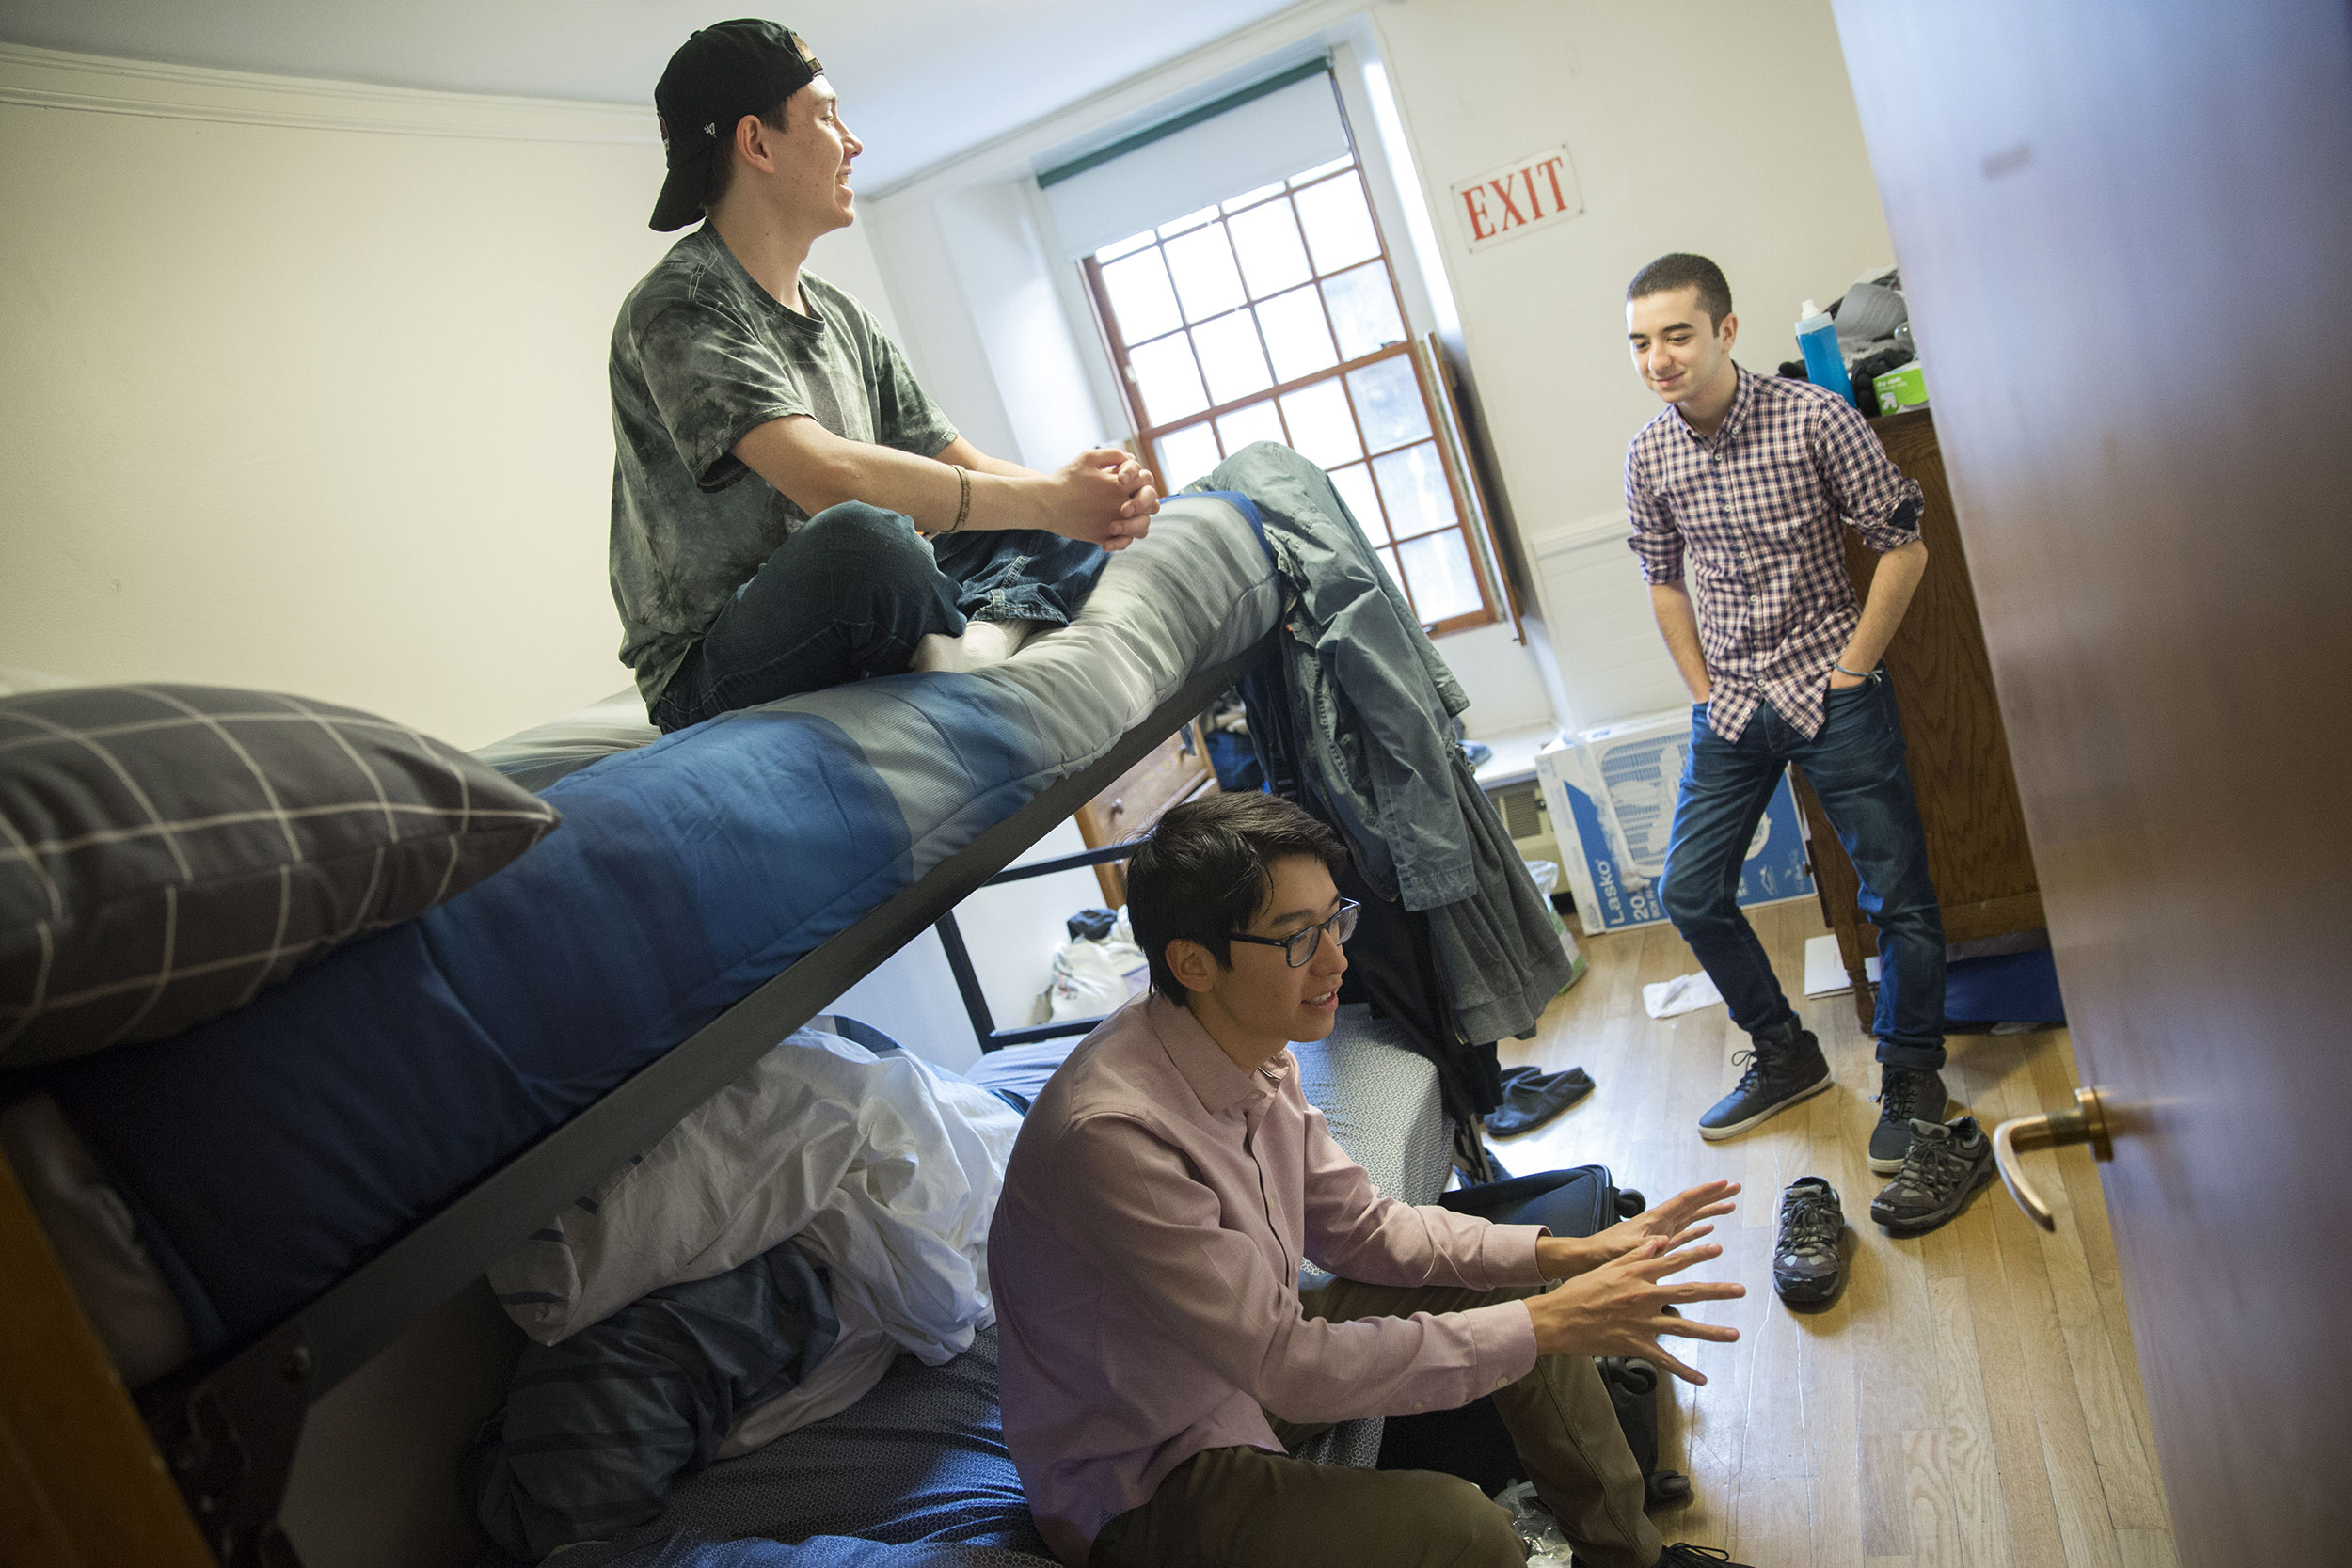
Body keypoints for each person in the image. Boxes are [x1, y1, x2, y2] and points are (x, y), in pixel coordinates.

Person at [989, 792, 1753, 1568]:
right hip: (1145, 1469)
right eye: (1297, 939)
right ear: (1192, 961)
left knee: (1516, 1296)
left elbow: (1362, 1227)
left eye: (1335, 920)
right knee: (1465, 1529)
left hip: (1235, 1362)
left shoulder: (1250, 1044)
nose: (1336, 960)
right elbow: (1287, 1370)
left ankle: (1634, 1559)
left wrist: (1560, 1256)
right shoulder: (1114, 1137)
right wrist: (1548, 1325)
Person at [610, 20, 1162, 731]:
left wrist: (1081, 497)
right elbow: (827, 477)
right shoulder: (679, 306)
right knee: (867, 541)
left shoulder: (842, 315)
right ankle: (974, 620)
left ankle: (979, 639)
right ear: (756, 143)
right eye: (829, 116)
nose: (854, 142)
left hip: (865, 599)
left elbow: (961, 467)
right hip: (717, 661)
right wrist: (1050, 503)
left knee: (1028, 505)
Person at [1622, 252, 1948, 1174]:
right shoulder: (1648, 453)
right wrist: (1701, 690)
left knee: (1898, 897)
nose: (1659, 359)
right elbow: (1662, 581)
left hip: (1829, 687)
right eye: (1641, 342)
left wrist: (1853, 668)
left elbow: (1903, 546)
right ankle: (1784, 1051)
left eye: (1677, 335)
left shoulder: (1814, 416)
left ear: (1724, 331)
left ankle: (1913, 1072)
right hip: (1729, 705)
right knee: (1687, 888)